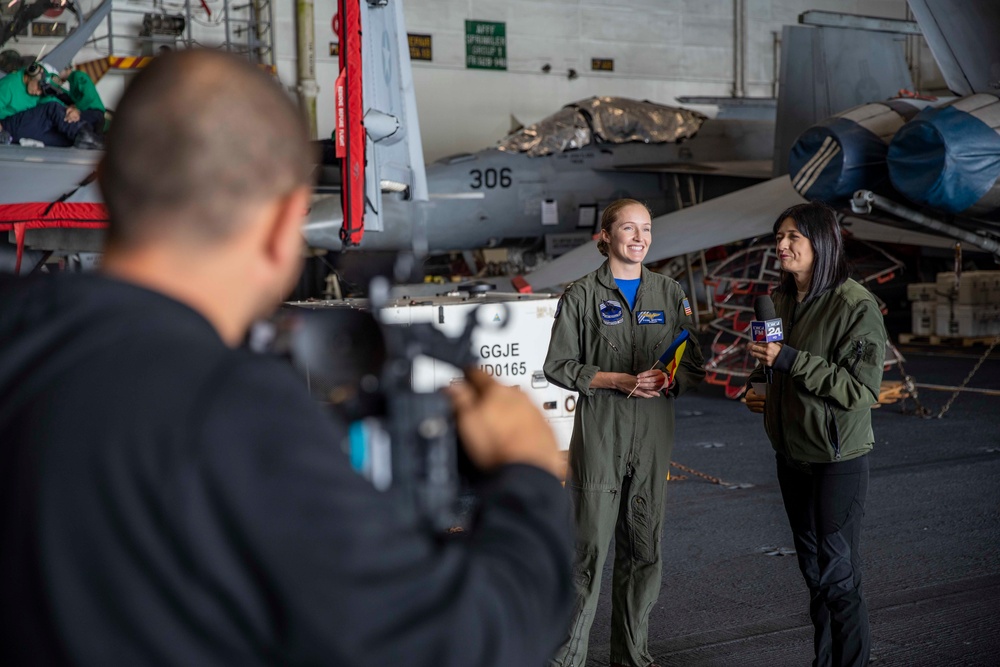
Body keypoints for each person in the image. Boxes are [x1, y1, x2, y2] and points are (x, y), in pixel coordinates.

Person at [0, 49, 573, 666]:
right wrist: (530, 477)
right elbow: (470, 643)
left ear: (108, 180)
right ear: (283, 228)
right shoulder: (234, 419)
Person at [543, 199, 705, 667]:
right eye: (629, 229)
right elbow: (557, 365)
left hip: (653, 435)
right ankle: (565, 660)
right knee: (587, 552)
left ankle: (633, 658)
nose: (639, 237)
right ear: (607, 235)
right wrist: (617, 380)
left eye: (647, 229)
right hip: (602, 432)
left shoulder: (670, 293)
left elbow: (691, 360)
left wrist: (671, 377)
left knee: (644, 550)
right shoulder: (580, 295)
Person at [745, 201, 886, 667]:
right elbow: (774, 363)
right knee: (813, 573)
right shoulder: (782, 299)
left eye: (793, 238)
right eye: (779, 237)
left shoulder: (854, 305)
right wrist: (758, 384)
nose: (781, 246)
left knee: (839, 574)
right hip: (792, 454)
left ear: (821, 243)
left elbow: (861, 390)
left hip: (837, 460)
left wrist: (787, 360)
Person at [0, 61, 102, 148]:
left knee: (68, 140)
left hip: (25, 128)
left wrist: (73, 110)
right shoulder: (8, 85)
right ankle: (87, 137)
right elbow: (52, 108)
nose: (39, 93)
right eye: (39, 88)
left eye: (42, 91)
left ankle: (91, 140)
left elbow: (60, 102)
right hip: (7, 127)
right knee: (52, 107)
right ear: (32, 75)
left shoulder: (39, 91)